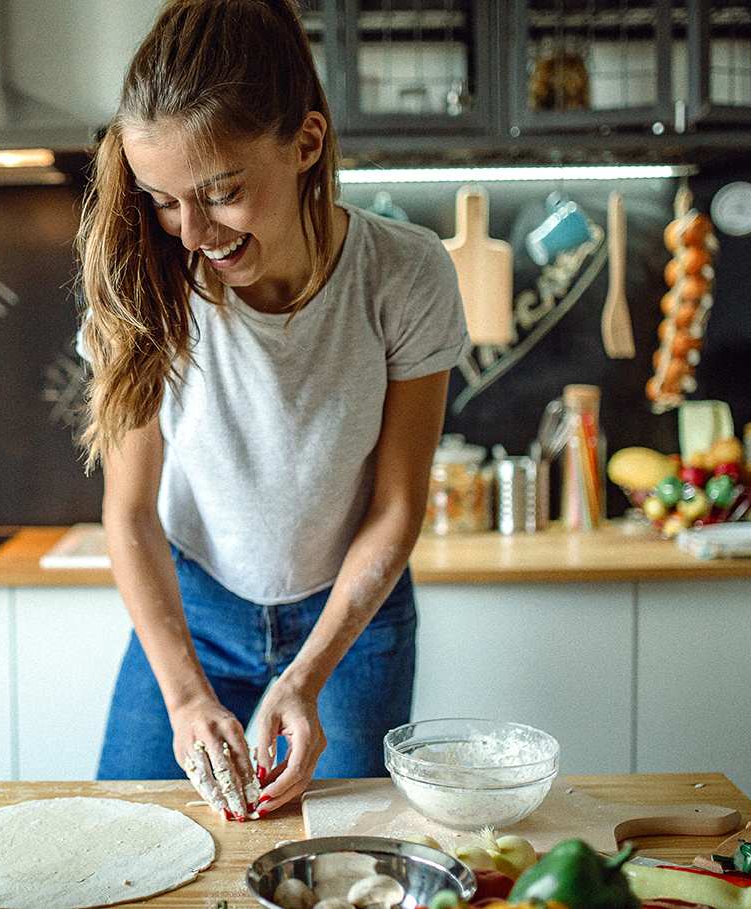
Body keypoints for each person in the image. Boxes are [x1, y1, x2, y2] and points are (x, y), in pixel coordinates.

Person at [75, 0, 469, 820]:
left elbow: (397, 504)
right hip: (194, 613)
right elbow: (131, 513)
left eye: (221, 192)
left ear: (306, 143)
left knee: (344, 856)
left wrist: (307, 673)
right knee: (131, 837)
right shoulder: (149, 281)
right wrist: (185, 697)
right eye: (162, 199)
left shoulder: (407, 275)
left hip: (353, 627)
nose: (190, 233)